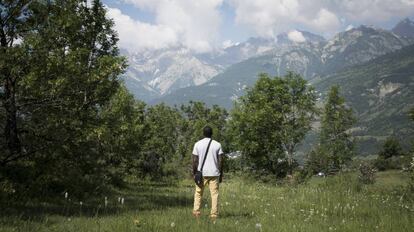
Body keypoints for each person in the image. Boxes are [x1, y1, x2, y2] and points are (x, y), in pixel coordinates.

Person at [192, 126, 224, 219]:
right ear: (212, 133)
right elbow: (221, 160)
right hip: (214, 173)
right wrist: (221, 173)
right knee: (214, 194)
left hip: (201, 173)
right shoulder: (217, 144)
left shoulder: (197, 144)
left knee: (198, 193)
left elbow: (194, 160)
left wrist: (194, 173)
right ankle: (214, 215)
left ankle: (196, 212)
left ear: (203, 133)